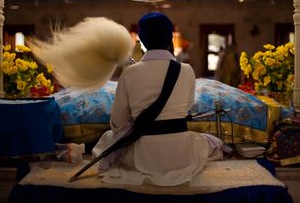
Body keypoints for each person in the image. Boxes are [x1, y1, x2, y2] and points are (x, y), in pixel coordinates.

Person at [91, 11, 223, 186]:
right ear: (170, 38)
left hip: (143, 156)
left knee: (108, 138)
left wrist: (138, 119)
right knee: (208, 142)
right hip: (180, 153)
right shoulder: (186, 70)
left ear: (142, 40)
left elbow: (117, 123)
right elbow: (188, 107)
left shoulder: (130, 73)